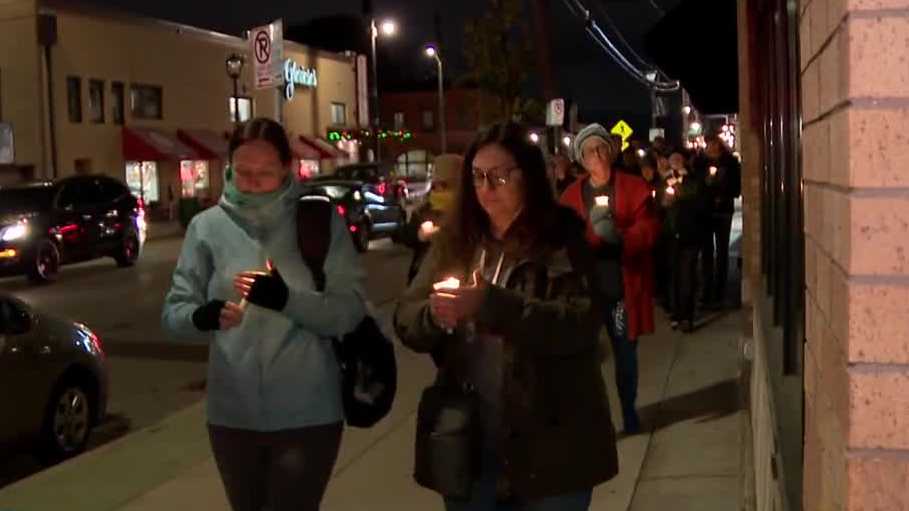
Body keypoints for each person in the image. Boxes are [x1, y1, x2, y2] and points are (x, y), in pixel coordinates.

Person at [395, 122, 618, 511]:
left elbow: (579, 325)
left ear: (528, 177)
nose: (487, 187)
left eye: (500, 175)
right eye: (478, 176)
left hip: (552, 441)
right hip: (472, 443)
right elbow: (406, 318)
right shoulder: (457, 243)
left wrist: (492, 304)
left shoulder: (561, 240)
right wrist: (434, 314)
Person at [161, 118, 367, 511]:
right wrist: (202, 316)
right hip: (232, 415)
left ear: (288, 168)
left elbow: (348, 311)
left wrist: (287, 299)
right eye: (243, 173)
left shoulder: (318, 221)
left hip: (307, 414)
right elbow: (174, 311)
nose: (252, 183)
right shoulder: (206, 228)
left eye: (265, 173)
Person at [560, 123, 660, 434]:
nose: (597, 155)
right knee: (585, 359)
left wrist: (621, 237)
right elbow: (562, 237)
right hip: (588, 293)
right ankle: (595, 420)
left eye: (601, 148)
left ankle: (628, 410)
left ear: (611, 151)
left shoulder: (633, 187)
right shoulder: (572, 195)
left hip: (622, 289)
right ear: (581, 159)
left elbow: (650, 226)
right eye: (589, 151)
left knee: (625, 354)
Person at [399, 153, 463, 284]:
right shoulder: (424, 209)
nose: (438, 191)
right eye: (435, 186)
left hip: (454, 276)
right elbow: (402, 234)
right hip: (422, 277)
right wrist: (419, 234)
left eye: (444, 185)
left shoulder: (466, 212)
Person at [664, 149, 708, 332]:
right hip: (671, 234)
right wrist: (666, 198)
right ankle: (676, 313)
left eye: (678, 159)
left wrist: (679, 191)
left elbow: (697, 198)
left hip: (689, 232)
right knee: (673, 275)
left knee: (687, 276)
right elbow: (661, 201)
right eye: (672, 160)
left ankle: (687, 316)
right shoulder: (665, 179)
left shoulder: (693, 179)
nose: (675, 163)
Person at [696, 134, 741, 308]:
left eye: (715, 144)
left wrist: (724, 194)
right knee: (707, 252)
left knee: (722, 251)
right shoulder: (700, 162)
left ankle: (720, 291)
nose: (712, 147)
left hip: (723, 212)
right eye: (710, 144)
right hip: (706, 212)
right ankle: (706, 290)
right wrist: (707, 182)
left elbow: (737, 186)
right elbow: (698, 185)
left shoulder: (729, 162)